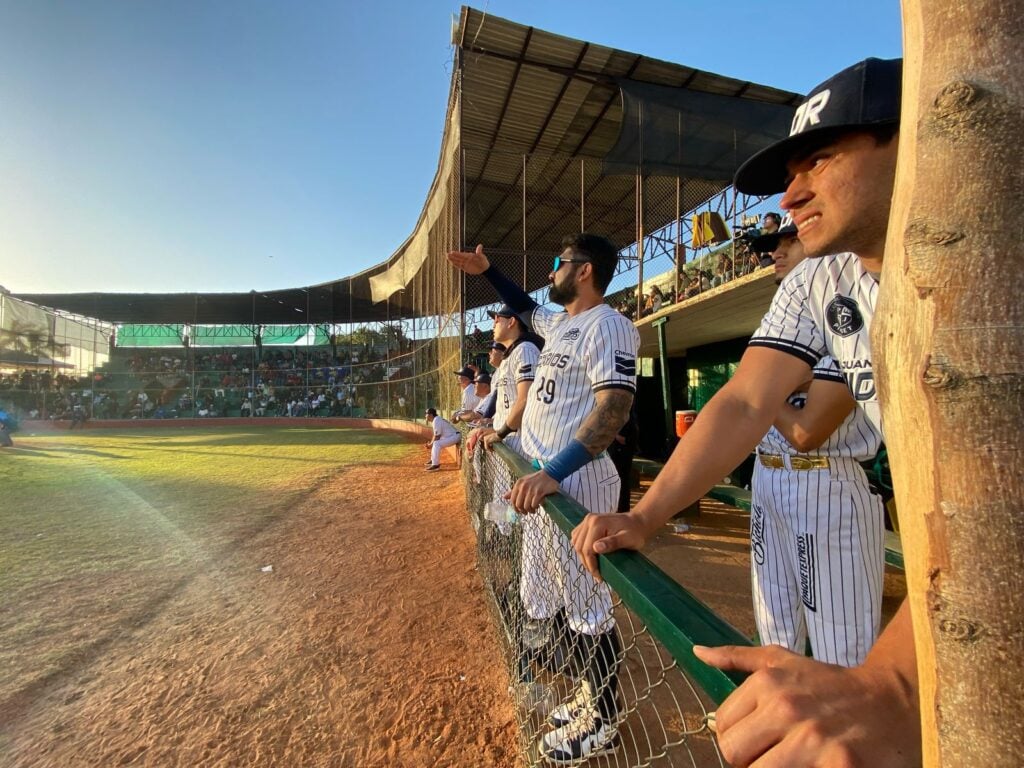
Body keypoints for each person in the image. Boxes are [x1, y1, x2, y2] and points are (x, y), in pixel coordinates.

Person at [571, 57, 922, 767]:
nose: (791, 198)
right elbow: (743, 399)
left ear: (913, 138)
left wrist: (898, 682)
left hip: (841, 487)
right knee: (788, 659)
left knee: (861, 681)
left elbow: (801, 421)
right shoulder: (824, 275)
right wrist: (648, 514)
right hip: (791, 487)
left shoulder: (993, 251)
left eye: (819, 160)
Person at [448, 233, 640, 763]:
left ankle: (603, 718)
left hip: (576, 483)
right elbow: (526, 305)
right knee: (556, 602)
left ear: (584, 271)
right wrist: (488, 271)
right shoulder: (559, 324)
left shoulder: (610, 324)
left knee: (588, 609)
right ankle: (587, 694)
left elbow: (614, 409)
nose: (551, 271)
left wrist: (553, 472)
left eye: (559, 263)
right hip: (544, 481)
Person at [746, 222, 886, 666]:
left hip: (827, 483)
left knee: (841, 647)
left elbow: (806, 432)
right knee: (774, 632)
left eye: (790, 241)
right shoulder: (786, 319)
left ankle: (848, 736)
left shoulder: (851, 312)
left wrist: (760, 392)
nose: (778, 253)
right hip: (767, 478)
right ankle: (783, 731)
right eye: (774, 247)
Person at [424, 407, 460, 471]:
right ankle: (433, 460)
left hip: (454, 436)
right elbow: (436, 435)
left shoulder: (436, 420)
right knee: (435, 443)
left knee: (436, 443)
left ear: (431, 415)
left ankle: (435, 465)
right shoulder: (436, 419)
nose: (425, 415)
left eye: (426, 413)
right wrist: (431, 444)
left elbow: (437, 437)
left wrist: (430, 445)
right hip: (452, 436)